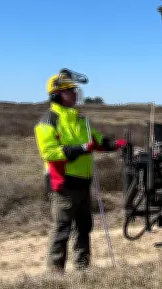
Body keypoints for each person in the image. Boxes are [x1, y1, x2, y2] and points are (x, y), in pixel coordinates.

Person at [34, 69, 127, 274]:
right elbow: (50, 153)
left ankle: (82, 268)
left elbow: (97, 141)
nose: (75, 95)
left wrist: (115, 144)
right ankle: (55, 272)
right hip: (63, 182)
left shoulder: (81, 120)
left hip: (84, 182)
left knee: (84, 227)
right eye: (70, 91)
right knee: (62, 228)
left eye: (75, 91)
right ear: (56, 95)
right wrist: (81, 149)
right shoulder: (48, 121)